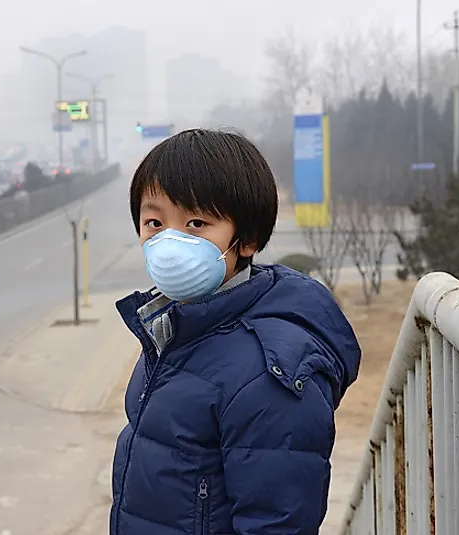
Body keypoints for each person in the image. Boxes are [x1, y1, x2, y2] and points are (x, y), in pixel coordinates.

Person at [110, 128, 361, 535]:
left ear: (247, 240)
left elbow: (279, 523)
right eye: (154, 222)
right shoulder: (175, 329)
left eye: (196, 223)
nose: (169, 242)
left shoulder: (268, 373)